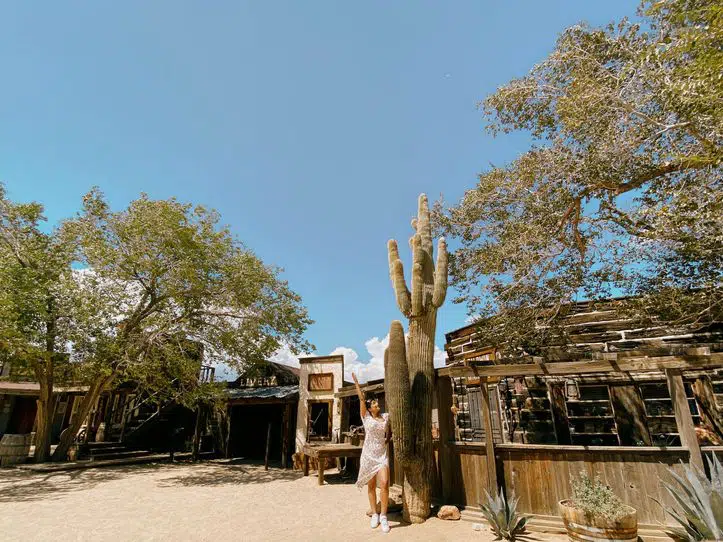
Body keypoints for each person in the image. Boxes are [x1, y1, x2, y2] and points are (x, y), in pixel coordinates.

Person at [352, 372, 392, 533]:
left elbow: (389, 433)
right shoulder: (366, 418)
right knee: (371, 485)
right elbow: (361, 399)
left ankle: (383, 515)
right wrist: (356, 383)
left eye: (377, 403)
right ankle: (374, 513)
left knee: (384, 483)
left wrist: (387, 440)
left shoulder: (386, 417)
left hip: (382, 455)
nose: (377, 405)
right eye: (374, 404)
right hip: (368, 454)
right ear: (369, 408)